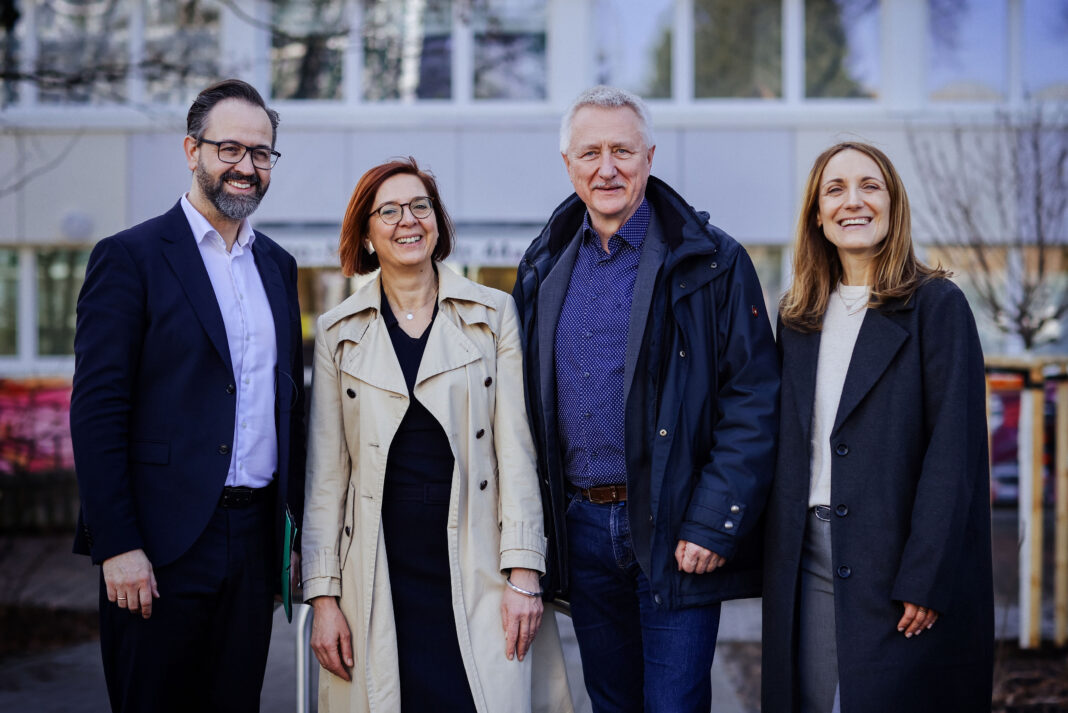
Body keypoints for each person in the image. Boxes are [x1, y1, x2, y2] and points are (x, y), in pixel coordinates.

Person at [512, 86, 780, 713]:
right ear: (568, 164)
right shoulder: (544, 264)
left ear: (650, 156)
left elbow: (753, 399)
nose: (607, 168)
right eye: (590, 153)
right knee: (611, 703)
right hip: (581, 529)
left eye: (622, 151)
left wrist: (715, 520)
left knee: (674, 705)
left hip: (676, 531)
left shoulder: (713, 261)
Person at [301, 157, 573, 713]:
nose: (409, 220)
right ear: (368, 234)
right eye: (390, 210)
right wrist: (324, 596)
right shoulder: (338, 332)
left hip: (477, 560)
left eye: (420, 206)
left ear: (438, 223)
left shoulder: (493, 314)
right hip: (376, 568)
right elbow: (327, 479)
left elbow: (516, 451)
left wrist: (525, 571)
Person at [69, 79, 305, 712]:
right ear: (191, 149)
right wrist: (116, 545)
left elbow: (290, 406)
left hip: (253, 542)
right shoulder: (130, 257)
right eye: (230, 148)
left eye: (261, 153)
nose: (246, 166)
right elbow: (97, 413)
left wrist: (297, 533)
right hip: (158, 546)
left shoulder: (278, 268)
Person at [762, 141, 995, 712]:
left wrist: (926, 574)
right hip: (805, 556)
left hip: (896, 557)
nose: (853, 201)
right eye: (834, 189)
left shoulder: (937, 306)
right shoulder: (797, 318)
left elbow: (954, 453)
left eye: (870, 186)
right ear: (817, 214)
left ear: (894, 205)